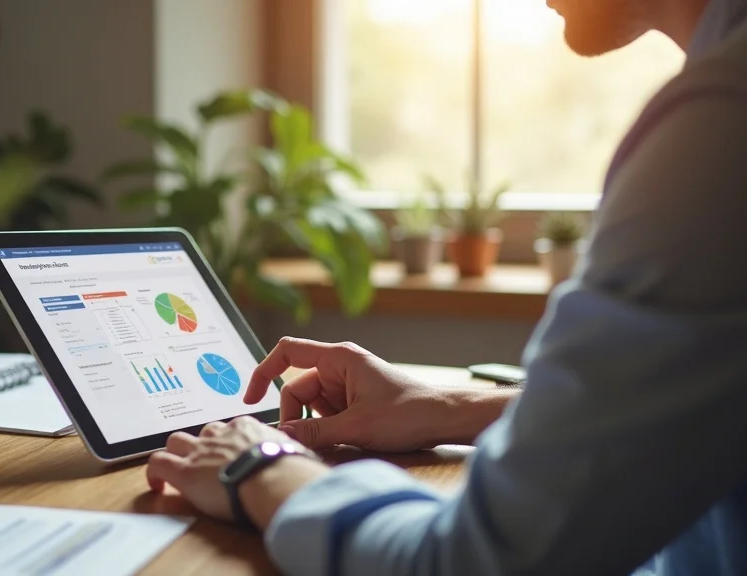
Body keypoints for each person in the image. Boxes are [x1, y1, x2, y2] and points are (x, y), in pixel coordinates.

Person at [145, 0, 747, 573]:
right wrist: (448, 407)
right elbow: (684, 416)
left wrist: (258, 466)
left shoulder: (721, 119)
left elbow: (476, 562)